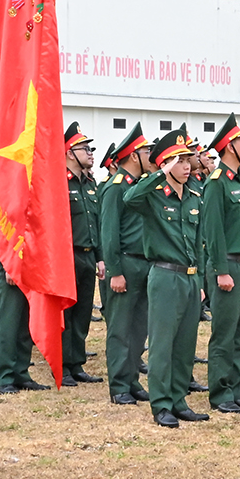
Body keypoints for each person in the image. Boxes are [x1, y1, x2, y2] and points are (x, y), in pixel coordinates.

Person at [121, 130, 209, 426]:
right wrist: (159, 174)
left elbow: (199, 242)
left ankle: (178, 399)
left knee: (185, 343)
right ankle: (160, 404)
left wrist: (200, 281)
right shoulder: (153, 195)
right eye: (180, 160)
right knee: (162, 344)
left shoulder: (195, 195)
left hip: (189, 277)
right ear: (166, 163)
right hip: (164, 275)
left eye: (188, 159)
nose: (187, 165)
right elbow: (129, 198)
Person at [199, 114, 240, 414]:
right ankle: (221, 392)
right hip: (229, 267)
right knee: (225, 334)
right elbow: (213, 232)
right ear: (228, 147)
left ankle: (237, 388)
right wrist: (220, 270)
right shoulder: (217, 184)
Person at [100, 123, 152, 404]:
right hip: (126, 264)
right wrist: (115, 271)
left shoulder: (139, 186)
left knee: (139, 327)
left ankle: (132, 379)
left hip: (145, 263)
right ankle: (119, 385)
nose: (151, 156)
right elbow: (109, 234)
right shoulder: (115, 188)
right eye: (147, 151)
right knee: (120, 328)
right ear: (134, 156)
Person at [62, 123, 106, 384]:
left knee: (83, 312)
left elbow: (97, 223)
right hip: (67, 255)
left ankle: (77, 362)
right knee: (66, 313)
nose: (91, 153)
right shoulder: (58, 182)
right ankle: (64, 365)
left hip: (88, 255)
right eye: (85, 149)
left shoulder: (90, 183)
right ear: (69, 152)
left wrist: (100, 256)